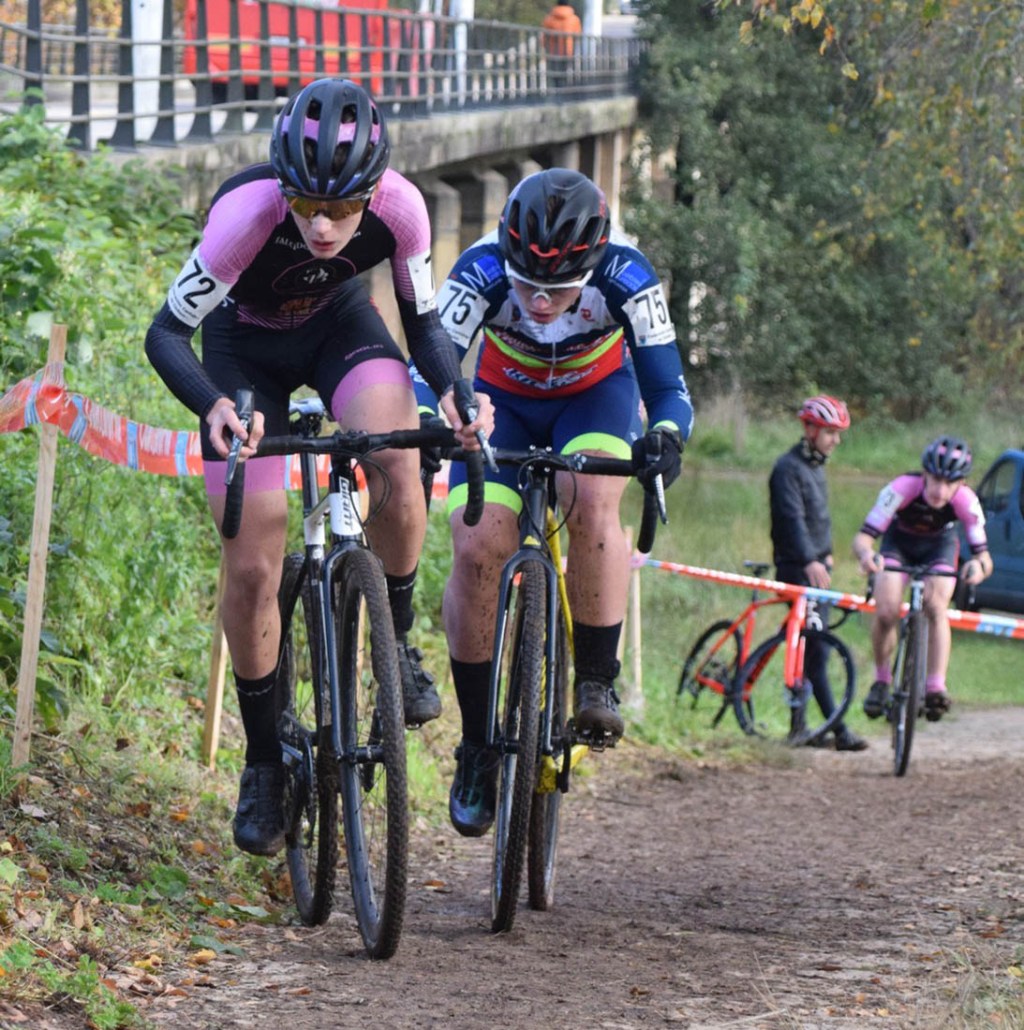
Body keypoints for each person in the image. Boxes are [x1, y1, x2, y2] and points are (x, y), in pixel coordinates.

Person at [144, 78, 493, 857]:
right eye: (306, 206)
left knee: (398, 458)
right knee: (252, 564)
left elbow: (425, 327)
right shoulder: (244, 216)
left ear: (373, 192)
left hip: (339, 327)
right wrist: (212, 405)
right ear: (284, 188)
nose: (324, 226)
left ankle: (396, 643)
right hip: (242, 352)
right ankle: (264, 763)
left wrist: (455, 392)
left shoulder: (403, 209)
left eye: (342, 207)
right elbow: (165, 334)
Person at [414, 167, 694, 837]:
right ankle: (476, 744)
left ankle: (595, 679)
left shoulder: (628, 274)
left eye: (560, 290)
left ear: (592, 267)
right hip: (501, 402)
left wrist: (665, 436)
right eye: (526, 285)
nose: (540, 303)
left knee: (593, 498)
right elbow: (428, 366)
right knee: (478, 544)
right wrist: (429, 419)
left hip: (594, 398)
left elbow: (669, 390)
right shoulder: (480, 267)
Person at [853, 435, 991, 722]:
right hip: (898, 544)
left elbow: (984, 557)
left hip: (939, 547)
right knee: (887, 609)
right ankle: (881, 680)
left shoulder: (967, 501)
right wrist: (867, 556)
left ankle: (935, 686)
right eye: (936, 479)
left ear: (962, 483)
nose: (941, 490)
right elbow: (864, 538)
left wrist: (977, 568)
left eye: (950, 483)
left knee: (936, 607)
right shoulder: (901, 488)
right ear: (925, 473)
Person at [768, 396, 867, 752]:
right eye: (829, 432)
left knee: (808, 648)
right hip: (799, 570)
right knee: (817, 649)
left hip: (816, 569)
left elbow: (816, 518)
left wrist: (825, 555)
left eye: (838, 434)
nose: (835, 440)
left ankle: (807, 726)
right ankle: (835, 730)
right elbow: (792, 520)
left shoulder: (815, 468)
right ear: (809, 429)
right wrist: (810, 560)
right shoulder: (787, 469)